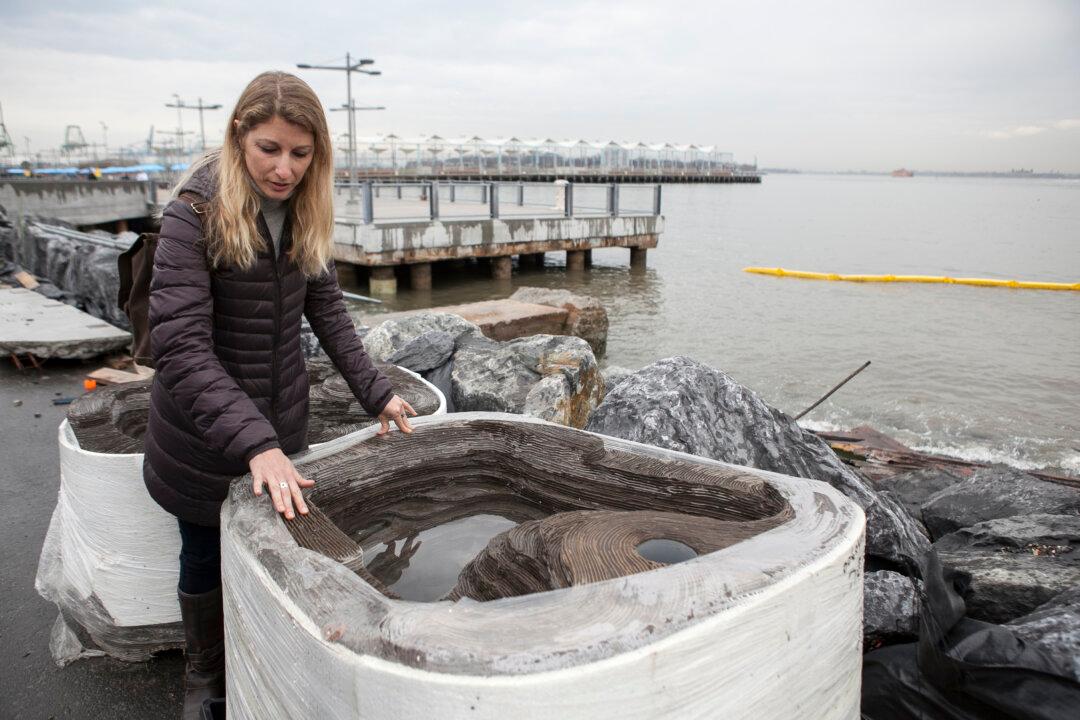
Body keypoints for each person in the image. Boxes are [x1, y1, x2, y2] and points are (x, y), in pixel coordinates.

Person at [142, 71, 415, 718]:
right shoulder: (194, 213)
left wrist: (377, 392)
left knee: (275, 546)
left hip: (280, 419)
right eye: (269, 149)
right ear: (239, 135)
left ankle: (264, 644)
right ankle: (204, 675)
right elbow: (180, 346)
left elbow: (327, 312)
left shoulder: (303, 210)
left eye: (301, 153)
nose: (285, 169)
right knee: (203, 552)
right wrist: (255, 444)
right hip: (199, 435)